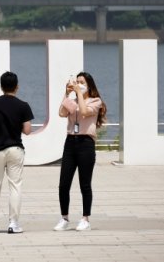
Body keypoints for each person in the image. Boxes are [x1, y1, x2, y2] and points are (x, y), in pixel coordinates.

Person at [0, 71, 34, 234]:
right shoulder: (23, 105)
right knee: (15, 186)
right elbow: (28, 130)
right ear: (17, 87)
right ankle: (13, 223)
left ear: (1, 86)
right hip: (15, 149)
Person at [53, 71, 107, 232]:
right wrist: (67, 93)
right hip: (70, 142)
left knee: (85, 184)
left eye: (81, 82)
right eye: (76, 81)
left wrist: (79, 94)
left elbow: (84, 112)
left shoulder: (96, 101)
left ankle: (85, 219)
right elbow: (61, 113)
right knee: (63, 184)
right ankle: (64, 218)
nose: (78, 84)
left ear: (89, 85)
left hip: (86, 143)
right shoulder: (73, 99)